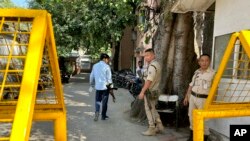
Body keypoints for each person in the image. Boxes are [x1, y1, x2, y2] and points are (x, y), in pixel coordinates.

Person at [183, 54, 215, 141]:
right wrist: (186, 97)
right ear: (199, 62)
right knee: (192, 118)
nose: (204, 62)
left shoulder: (213, 74)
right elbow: (191, 85)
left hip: (204, 100)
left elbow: (215, 89)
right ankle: (192, 137)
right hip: (193, 97)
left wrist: (212, 102)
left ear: (209, 61)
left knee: (204, 120)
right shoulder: (196, 72)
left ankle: (204, 138)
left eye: (206, 60)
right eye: (202, 60)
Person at [138, 48, 164, 136]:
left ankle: (152, 128)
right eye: (145, 56)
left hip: (150, 91)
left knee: (149, 109)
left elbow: (149, 81)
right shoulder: (156, 64)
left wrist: (142, 91)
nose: (146, 58)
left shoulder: (152, 66)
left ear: (153, 55)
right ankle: (159, 125)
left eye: (148, 55)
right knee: (152, 108)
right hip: (154, 91)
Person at [90, 53, 113, 121]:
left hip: (98, 87)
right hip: (105, 88)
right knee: (104, 102)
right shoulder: (107, 67)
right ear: (104, 59)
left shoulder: (95, 66)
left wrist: (91, 84)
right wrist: (111, 88)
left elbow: (91, 76)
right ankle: (103, 116)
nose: (108, 61)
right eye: (107, 59)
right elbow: (109, 79)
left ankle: (97, 112)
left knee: (97, 101)